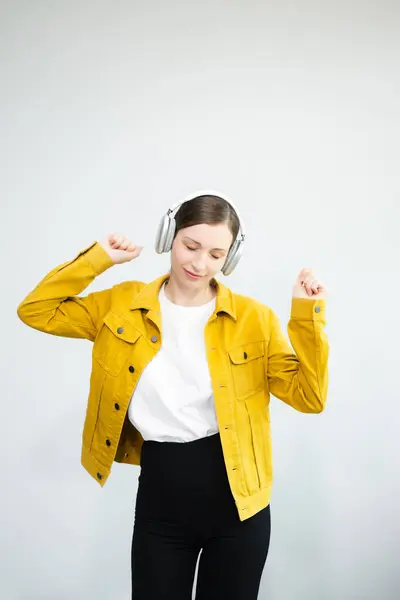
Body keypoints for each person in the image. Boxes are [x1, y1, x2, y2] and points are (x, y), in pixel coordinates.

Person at [17, 191, 329, 600]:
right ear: (170, 236)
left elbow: (310, 397)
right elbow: (35, 309)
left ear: (230, 258)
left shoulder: (255, 320)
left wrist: (307, 317)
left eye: (217, 254)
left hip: (239, 506)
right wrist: (99, 258)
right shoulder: (121, 305)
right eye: (190, 245)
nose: (200, 263)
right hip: (161, 502)